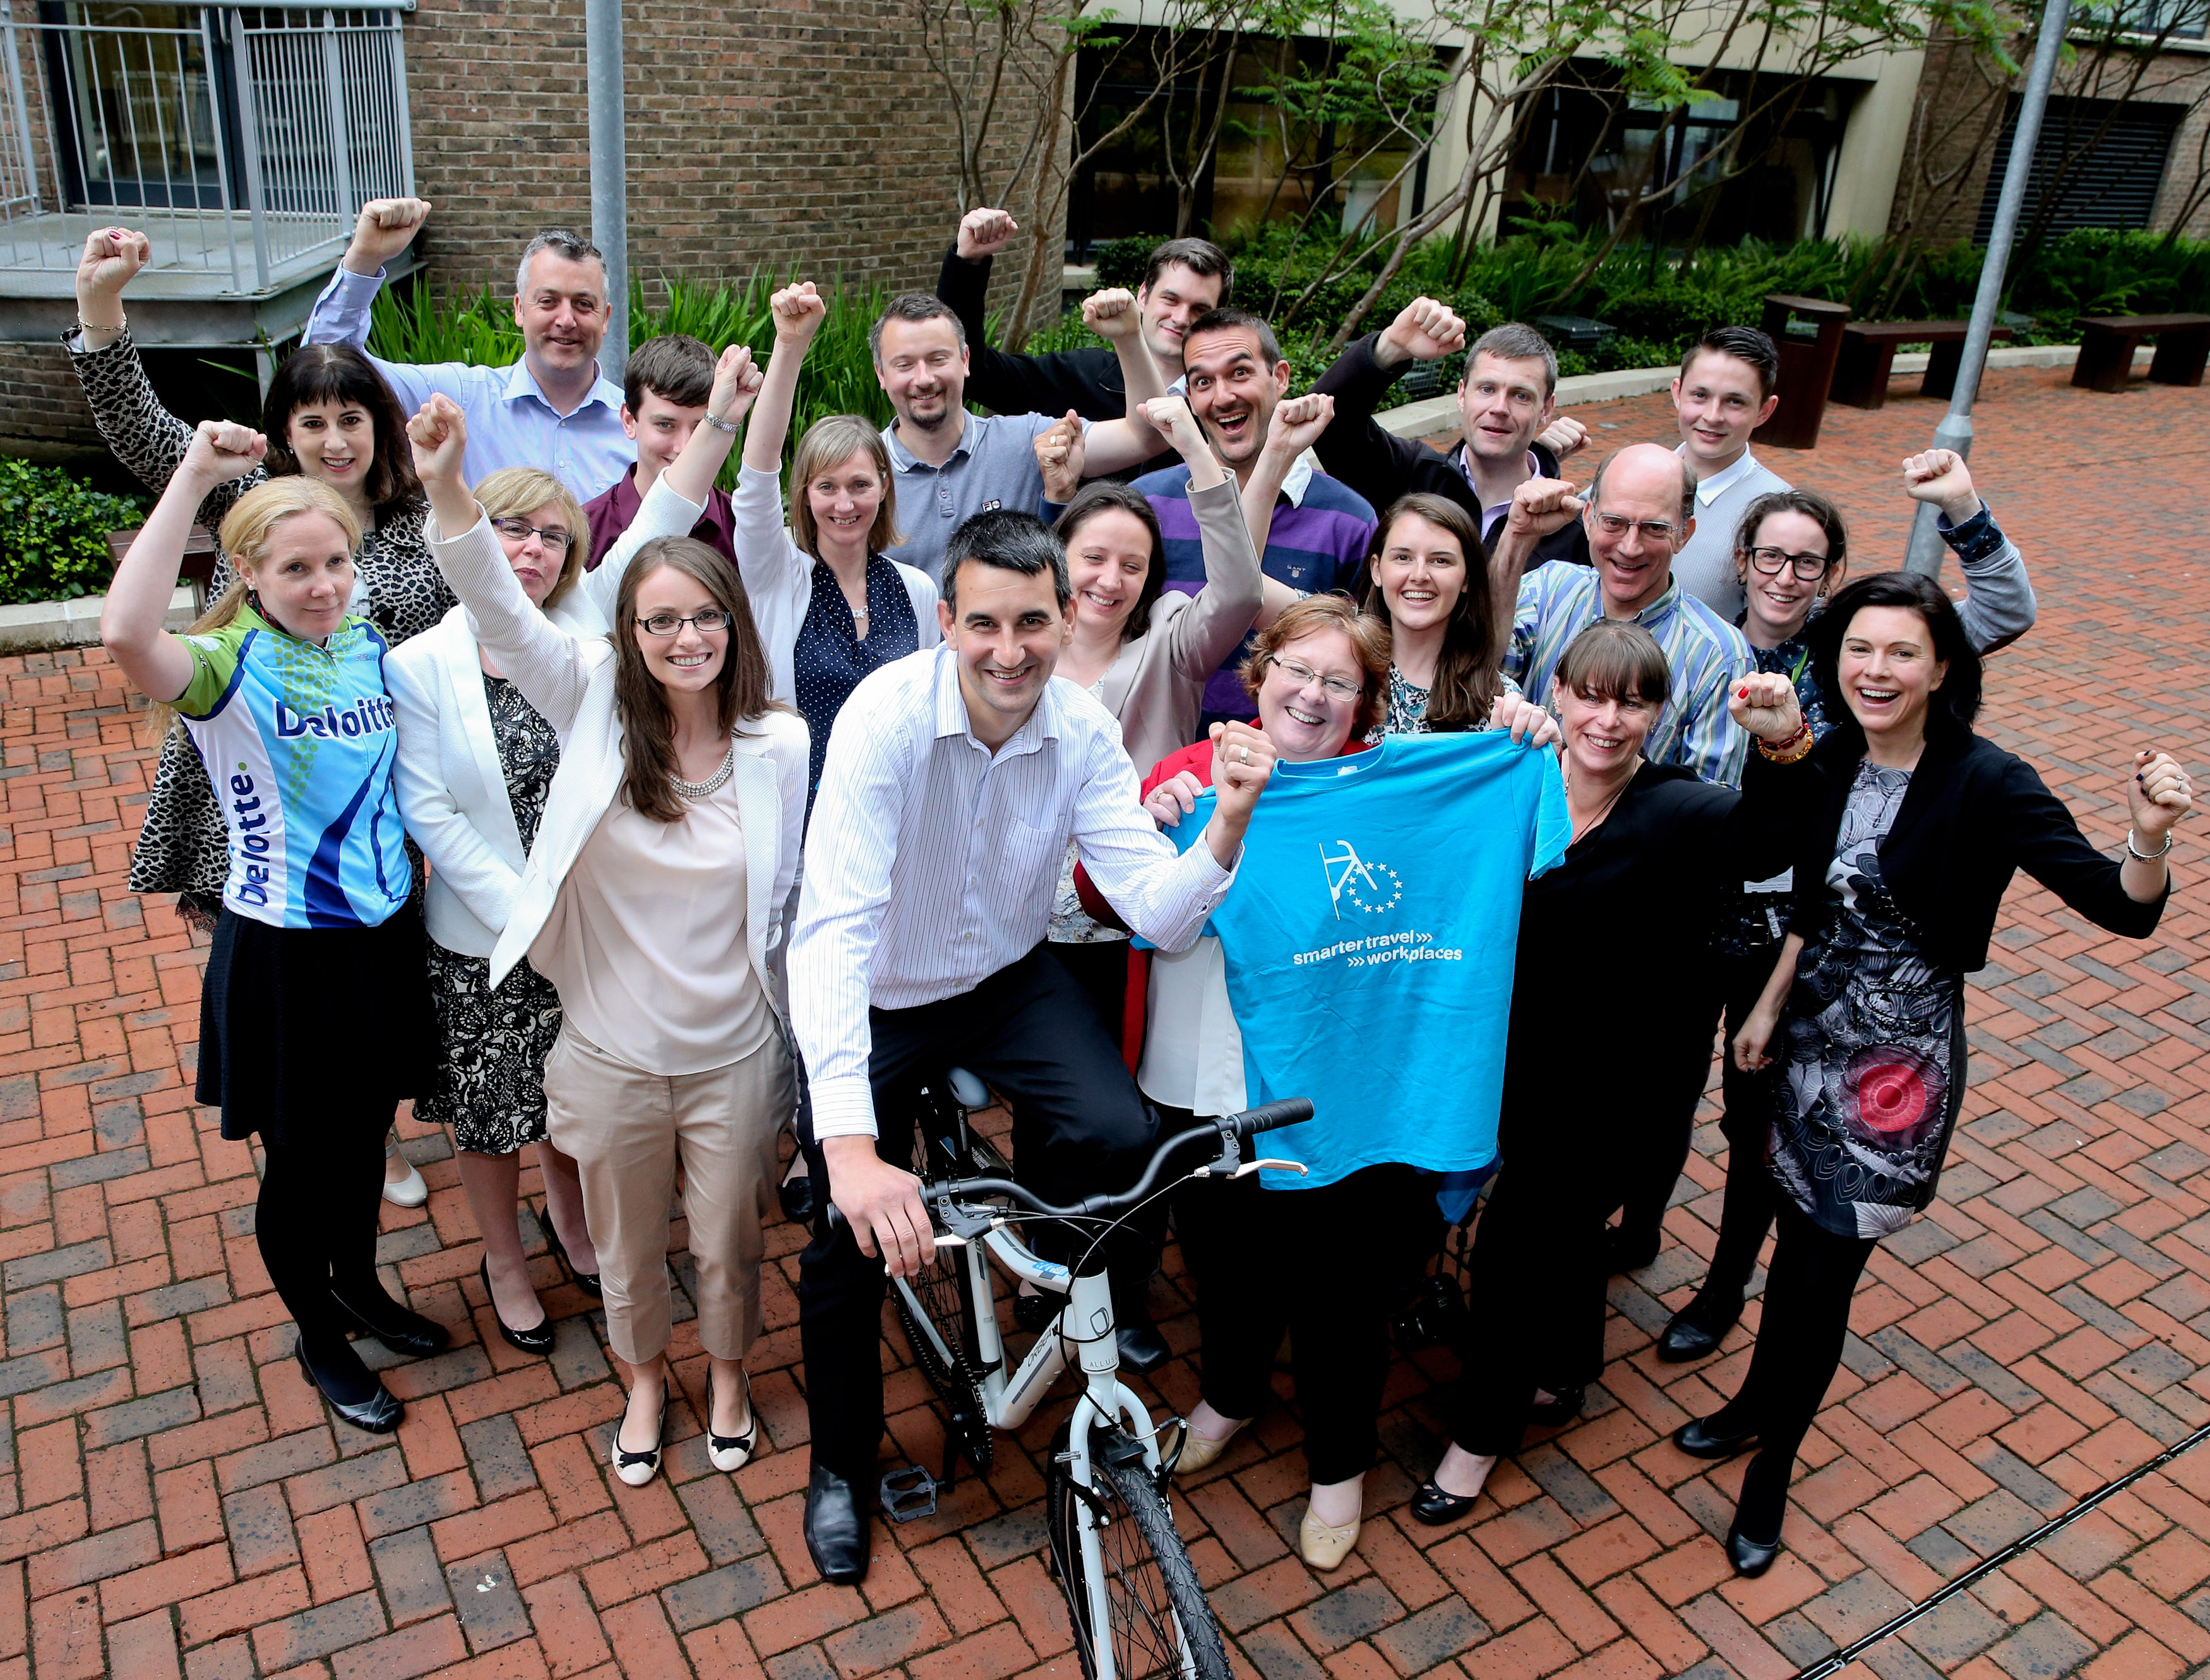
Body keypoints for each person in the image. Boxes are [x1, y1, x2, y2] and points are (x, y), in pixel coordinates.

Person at [786, 509, 1279, 1585]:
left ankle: (1048, 1283)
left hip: (1005, 978)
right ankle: (837, 1464)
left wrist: (1228, 826)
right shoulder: (886, 718)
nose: (1009, 651)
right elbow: (832, 928)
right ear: (949, 624)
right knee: (843, 1237)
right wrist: (854, 1152)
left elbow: (1159, 910)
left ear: (1064, 620)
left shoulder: (1084, 728)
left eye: (1032, 624)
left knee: (1118, 1132)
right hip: (879, 990)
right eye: (985, 625)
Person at [1672, 572, 2187, 1578]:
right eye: (1860, 649)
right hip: (1803, 1042)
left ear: (1944, 666)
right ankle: (1749, 1407)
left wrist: (2150, 837)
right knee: (1782, 1234)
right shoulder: (1829, 763)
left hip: (1890, 1078)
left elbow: (2121, 907)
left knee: (1820, 1274)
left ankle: (1771, 1469)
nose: (1876, 670)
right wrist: (1771, 1001)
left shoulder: (1987, 781)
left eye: (1903, 652)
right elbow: (1789, 879)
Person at [412, 391, 807, 1491]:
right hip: (609, 1052)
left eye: (705, 618)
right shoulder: (587, 703)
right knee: (629, 1250)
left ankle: (727, 1376)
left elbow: (791, 898)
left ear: (735, 627)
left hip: (734, 1049)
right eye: (660, 621)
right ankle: (643, 1380)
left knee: (728, 1242)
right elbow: (495, 602)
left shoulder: (781, 744)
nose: (686, 639)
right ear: (625, 637)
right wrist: (448, 485)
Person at [1126, 595, 1563, 1571]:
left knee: (1341, 1289)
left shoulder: (1403, 791)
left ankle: (1338, 1468)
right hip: (1207, 1083)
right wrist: (1178, 826)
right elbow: (1147, 915)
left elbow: (1525, 830)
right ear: (1261, 672)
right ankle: (1227, 1398)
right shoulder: (1190, 777)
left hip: (1344, 1093)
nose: (1313, 695)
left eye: (1340, 682)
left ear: (1368, 701)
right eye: (1298, 671)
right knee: (1225, 1263)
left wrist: (1528, 739)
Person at [68, 223, 448, 1207]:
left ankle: (372, 1129)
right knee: (287, 996)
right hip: (249, 787)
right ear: (286, 430)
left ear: (381, 426)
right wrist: (104, 309)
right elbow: (144, 429)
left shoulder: (420, 528)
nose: (333, 439)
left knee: (370, 986)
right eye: (312, 420)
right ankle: (332, 1145)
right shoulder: (253, 496)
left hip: (378, 800)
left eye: (352, 418)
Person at [1413, 624, 1816, 1524]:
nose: (1607, 717)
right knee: (1551, 1235)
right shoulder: (1511, 779)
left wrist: (1785, 743)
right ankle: (1565, 1368)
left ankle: (1478, 1438)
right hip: (1498, 1062)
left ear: (1657, 714)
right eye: (1590, 693)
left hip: (1607, 1089)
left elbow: (1780, 838)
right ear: (1556, 690)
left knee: (1516, 1247)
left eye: (1632, 701)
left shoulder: (1682, 812)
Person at [1652, 450, 2041, 1350]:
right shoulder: (1700, 643)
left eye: (1808, 561)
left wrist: (1963, 511)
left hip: (1790, 936)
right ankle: (1637, 1228)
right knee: (1671, 1081)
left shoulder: (1861, 658)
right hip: (1687, 911)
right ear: (1740, 559)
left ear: (1831, 575)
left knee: (1758, 1121)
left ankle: (1724, 1289)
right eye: (1770, 556)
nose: (1786, 576)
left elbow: (2004, 612)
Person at [102, 424, 445, 1435]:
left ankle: (360, 1289)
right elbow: (126, 633)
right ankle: (319, 1335)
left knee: (362, 1137)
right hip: (288, 951)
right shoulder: (226, 670)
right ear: (248, 572)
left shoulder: (367, 643)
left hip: (382, 937)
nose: (324, 584)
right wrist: (196, 476)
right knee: (303, 1161)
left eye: (336, 561)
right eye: (296, 568)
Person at [386, 467, 604, 1353]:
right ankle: (504, 1261)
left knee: (569, 1098)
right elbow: (429, 809)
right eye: (513, 528)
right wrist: (528, 915)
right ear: (471, 541)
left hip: (582, 932)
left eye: (554, 538)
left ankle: (572, 1219)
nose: (532, 550)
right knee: (489, 1114)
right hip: (480, 939)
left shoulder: (586, 651)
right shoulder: (417, 663)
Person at [1034, 391, 1268, 1052]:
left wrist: (1195, 449)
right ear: (1058, 561)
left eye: (1131, 565)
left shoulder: (1170, 637)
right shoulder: (1021, 650)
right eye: (1094, 559)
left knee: (1123, 1086)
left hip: (1133, 912)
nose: (1110, 580)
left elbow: (1242, 593)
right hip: (1024, 920)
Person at [1068, 308, 1371, 726]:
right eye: (1203, 382)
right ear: (1189, 397)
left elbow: (1365, 657)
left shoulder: (1349, 521)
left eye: (1240, 373)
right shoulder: (1147, 505)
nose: (1223, 396)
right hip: (1158, 766)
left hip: (1294, 767)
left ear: (1280, 377)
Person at [729, 282, 941, 798]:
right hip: (797, 824)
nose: (844, 505)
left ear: (885, 486)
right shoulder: (777, 573)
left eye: (859, 485)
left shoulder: (917, 592)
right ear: (804, 493)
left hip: (895, 824)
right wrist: (789, 345)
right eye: (826, 487)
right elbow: (756, 474)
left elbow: (934, 720)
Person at [303, 200, 631, 501]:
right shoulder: (454, 399)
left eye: (583, 304)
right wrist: (364, 259)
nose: (566, 320)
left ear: (605, 318)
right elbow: (327, 367)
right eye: (548, 301)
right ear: (519, 309)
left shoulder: (638, 429)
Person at [1493, 443, 1752, 785]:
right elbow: (1478, 671)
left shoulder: (1720, 655)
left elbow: (1711, 804)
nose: (1630, 547)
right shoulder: (1548, 589)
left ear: (1684, 535)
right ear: (1588, 519)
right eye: (1614, 523)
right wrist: (1517, 537)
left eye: (1654, 528)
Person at [873, 291, 1168, 578]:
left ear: (965, 360)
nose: (924, 379)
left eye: (938, 359)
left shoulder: (1026, 441)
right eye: (905, 365)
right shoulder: (864, 473)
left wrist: (1129, 337)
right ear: (881, 374)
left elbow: (1147, 436)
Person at [1311, 306, 1590, 572]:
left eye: (1521, 396)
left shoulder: (1569, 527)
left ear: (1547, 409)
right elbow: (1329, 422)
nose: (1499, 408)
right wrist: (1392, 346)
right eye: (1486, 389)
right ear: (1461, 395)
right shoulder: (1412, 476)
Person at [936, 208, 1232, 415]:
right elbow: (977, 373)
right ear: (1143, 295)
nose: (1181, 318)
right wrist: (968, 263)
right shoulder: (1081, 377)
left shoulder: (1224, 406)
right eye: (1170, 299)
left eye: (1199, 309)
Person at [583, 333, 739, 569]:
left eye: (701, 428)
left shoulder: (741, 527)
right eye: (665, 425)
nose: (684, 447)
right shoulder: (587, 532)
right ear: (629, 421)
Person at [1354, 493, 1503, 736]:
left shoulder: (1498, 702)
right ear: (1377, 570)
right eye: (1403, 558)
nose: (1420, 575)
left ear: (1466, 578)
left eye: (1440, 561)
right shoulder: (1339, 667)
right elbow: (1266, 598)